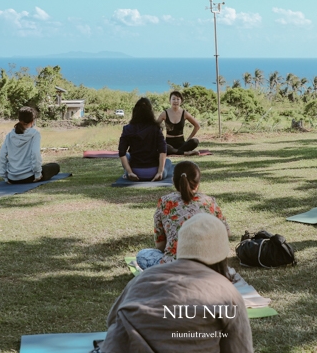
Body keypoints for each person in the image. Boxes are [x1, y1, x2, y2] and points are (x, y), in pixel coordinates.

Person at [102, 213, 252, 353]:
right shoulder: (226, 292)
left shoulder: (143, 278)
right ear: (222, 252)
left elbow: (112, 321)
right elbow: (239, 348)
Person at [135, 160, 229, 269]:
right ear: (197, 183)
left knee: (143, 255)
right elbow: (226, 234)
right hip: (209, 266)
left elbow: (160, 245)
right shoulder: (209, 202)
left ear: (174, 181)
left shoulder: (165, 202)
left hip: (174, 267)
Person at [0, 106, 60, 184]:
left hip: (12, 178)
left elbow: (2, 156)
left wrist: (5, 177)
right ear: (32, 121)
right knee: (55, 166)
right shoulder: (35, 134)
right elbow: (35, 154)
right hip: (30, 177)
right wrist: (37, 174)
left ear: (19, 119)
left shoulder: (10, 135)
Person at [119, 98, 171, 182]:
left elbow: (121, 152)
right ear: (150, 112)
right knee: (168, 161)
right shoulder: (156, 128)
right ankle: (159, 172)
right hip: (154, 173)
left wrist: (130, 172)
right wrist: (160, 172)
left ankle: (128, 173)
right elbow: (163, 150)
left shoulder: (127, 129)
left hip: (135, 173)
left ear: (135, 111)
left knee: (127, 156)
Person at [157, 91, 201, 155]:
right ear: (170, 100)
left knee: (195, 141)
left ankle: (176, 152)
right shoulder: (164, 113)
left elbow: (197, 126)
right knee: (164, 147)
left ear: (181, 101)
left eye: (178, 99)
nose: (176, 101)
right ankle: (184, 153)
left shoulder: (184, 113)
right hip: (169, 143)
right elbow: (154, 127)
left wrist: (188, 139)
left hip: (181, 143)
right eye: (173, 99)